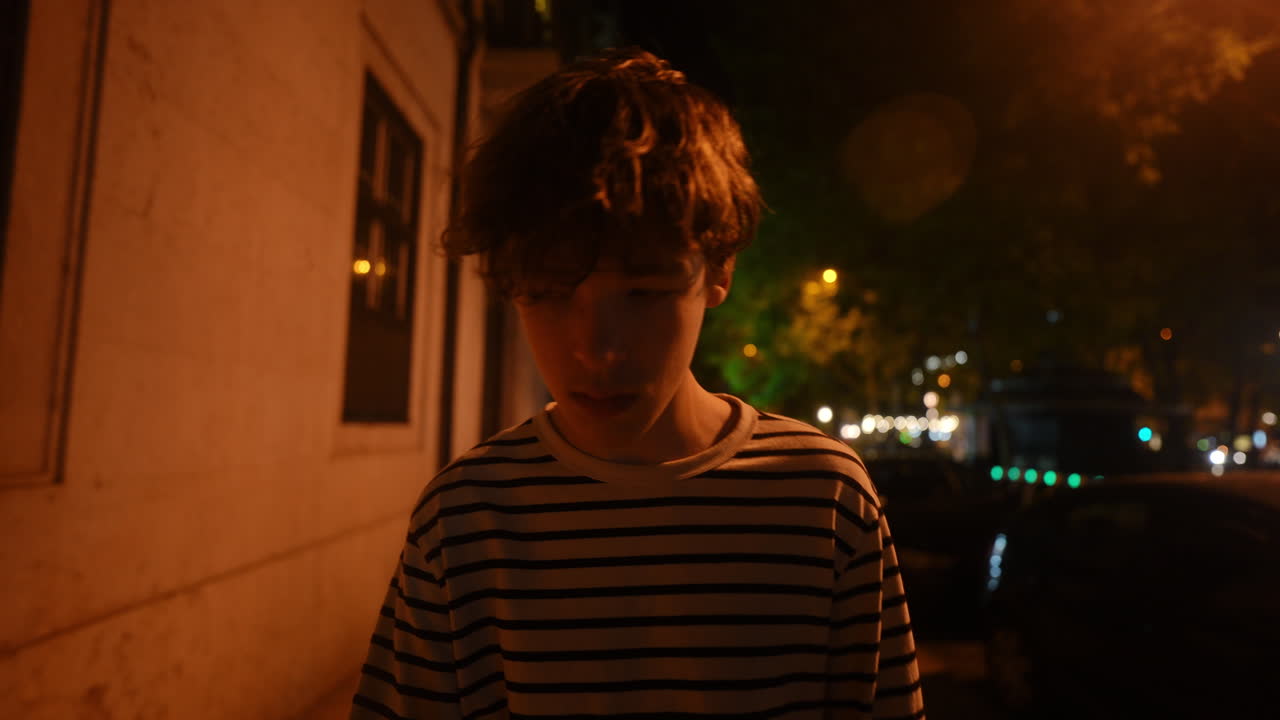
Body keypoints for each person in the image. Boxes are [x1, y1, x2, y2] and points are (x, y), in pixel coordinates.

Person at [350, 48, 925, 720]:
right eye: (548, 294)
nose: (596, 349)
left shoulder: (823, 496)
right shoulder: (468, 518)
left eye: (646, 292)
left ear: (719, 270)